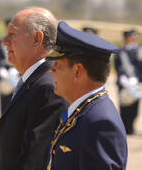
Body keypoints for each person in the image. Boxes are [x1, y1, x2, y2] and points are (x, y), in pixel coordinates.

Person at [47, 21, 128, 170]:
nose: (52, 70)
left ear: (77, 71)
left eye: (58, 65)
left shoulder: (100, 122)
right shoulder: (86, 111)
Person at [0, 8, 68, 170]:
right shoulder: (35, 80)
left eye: (12, 35)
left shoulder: (48, 87)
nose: (4, 41)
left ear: (37, 38)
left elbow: (35, 159)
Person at [114, 29, 142, 134]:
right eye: (130, 37)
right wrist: (122, 78)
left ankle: (131, 127)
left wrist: (137, 79)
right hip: (124, 82)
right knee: (123, 105)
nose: (132, 40)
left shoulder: (141, 50)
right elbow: (117, 66)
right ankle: (124, 126)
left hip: (136, 82)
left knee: (134, 106)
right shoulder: (120, 51)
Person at [0, 18, 20, 114]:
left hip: (15, 71)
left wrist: (16, 69)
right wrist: (1, 69)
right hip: (4, 71)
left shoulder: (19, 41)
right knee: (4, 96)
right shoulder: (0, 41)